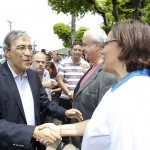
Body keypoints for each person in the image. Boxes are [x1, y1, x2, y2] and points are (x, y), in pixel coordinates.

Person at [40, 19, 150, 150]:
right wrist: (59, 130)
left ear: (123, 47)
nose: (103, 51)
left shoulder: (134, 97)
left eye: (107, 43)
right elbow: (102, 124)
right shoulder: (125, 88)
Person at [0, 30, 83, 150]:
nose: (28, 53)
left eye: (30, 48)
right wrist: (30, 132)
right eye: (21, 48)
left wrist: (64, 112)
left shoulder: (32, 76)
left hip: (34, 145)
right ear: (7, 52)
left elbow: (44, 102)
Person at [70, 28, 116, 149]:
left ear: (96, 45)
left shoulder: (107, 74)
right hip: (81, 139)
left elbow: (104, 118)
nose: (82, 49)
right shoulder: (92, 68)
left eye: (84, 45)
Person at [57, 41, 90, 147]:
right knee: (65, 120)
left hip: (79, 99)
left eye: (80, 50)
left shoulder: (86, 64)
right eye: (75, 49)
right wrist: (69, 93)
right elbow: (60, 81)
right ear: (71, 50)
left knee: (79, 121)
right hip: (66, 98)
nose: (77, 52)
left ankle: (77, 144)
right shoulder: (64, 62)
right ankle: (63, 142)